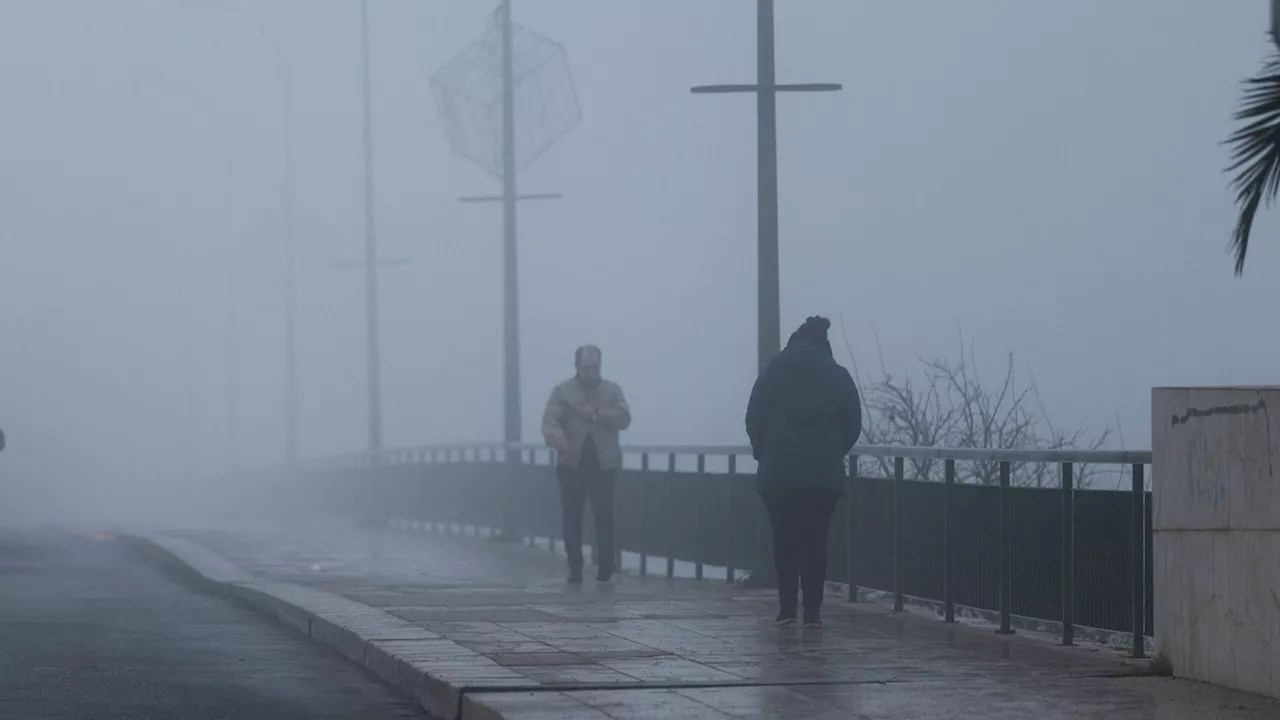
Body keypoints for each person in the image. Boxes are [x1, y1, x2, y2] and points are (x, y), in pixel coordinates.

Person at [746, 316, 862, 629]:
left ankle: (786, 609)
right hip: (822, 474)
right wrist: (832, 452)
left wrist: (763, 452)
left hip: (778, 471)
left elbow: (753, 417)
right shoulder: (837, 375)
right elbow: (853, 423)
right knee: (815, 540)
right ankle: (812, 611)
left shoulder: (772, 373)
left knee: (784, 538)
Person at [541, 344, 631, 584]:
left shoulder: (612, 391)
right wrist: (558, 439)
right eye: (585, 367)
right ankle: (575, 567)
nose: (590, 372)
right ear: (577, 366)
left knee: (604, 516)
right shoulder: (563, 391)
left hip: (603, 464)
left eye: (594, 367)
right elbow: (549, 420)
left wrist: (597, 414)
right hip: (571, 463)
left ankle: (605, 565)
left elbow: (624, 418)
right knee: (572, 516)